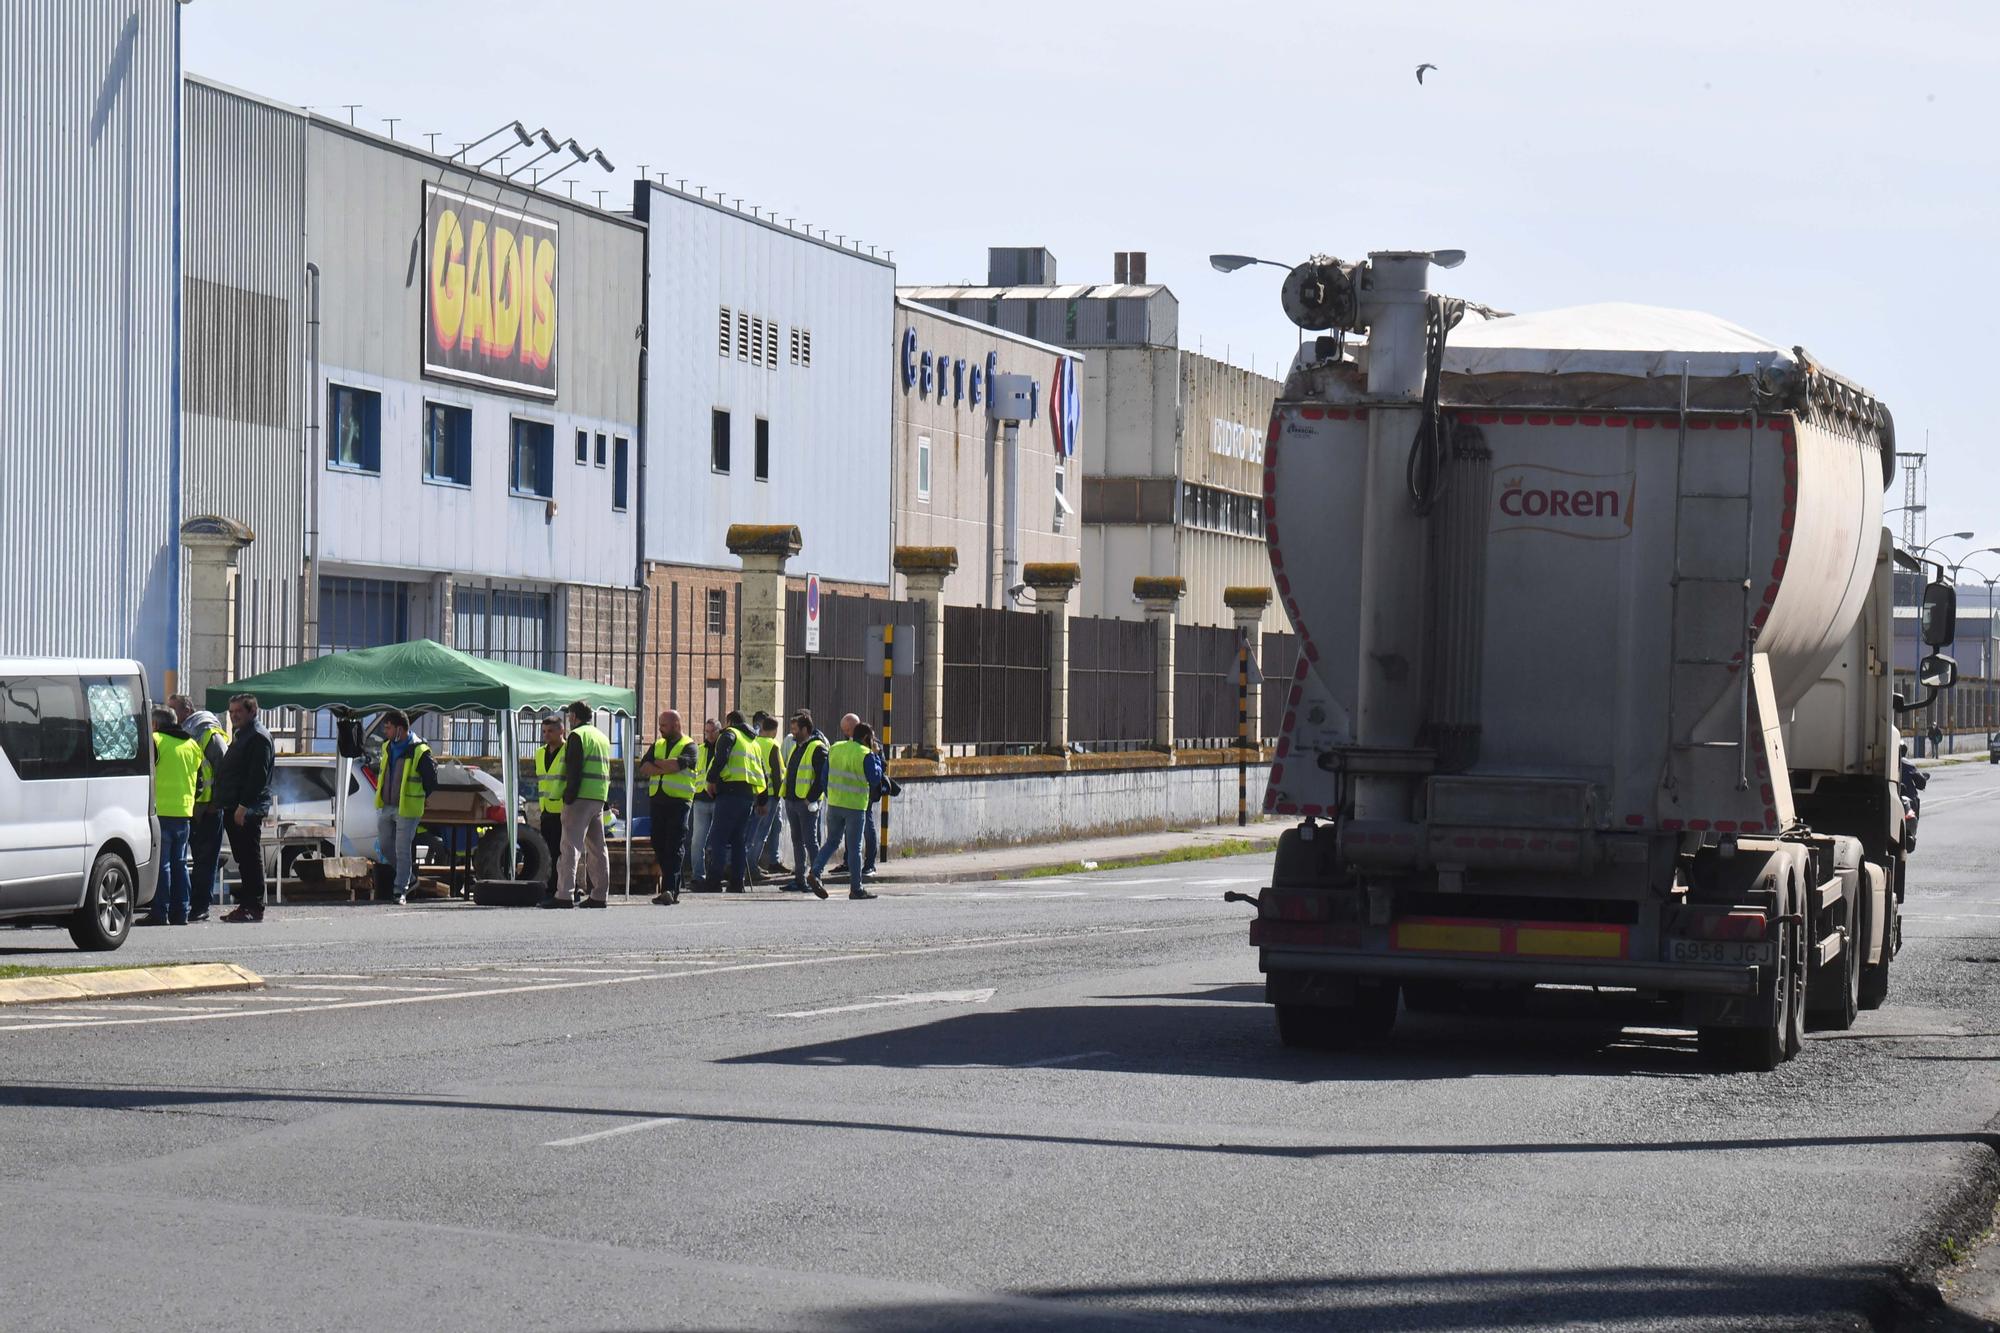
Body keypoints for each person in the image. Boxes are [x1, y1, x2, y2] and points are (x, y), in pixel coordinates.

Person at [543, 700, 612, 909]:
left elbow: (574, 769)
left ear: (573, 716)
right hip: (598, 796)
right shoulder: (601, 736)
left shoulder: (577, 735)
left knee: (570, 846)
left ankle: (564, 894)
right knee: (598, 848)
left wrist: (568, 797)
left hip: (579, 798)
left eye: (569, 716)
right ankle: (600, 895)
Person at [215, 693, 275, 924]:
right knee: (243, 858)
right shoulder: (243, 735)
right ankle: (247, 905)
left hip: (246, 808)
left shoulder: (258, 737)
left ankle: (253, 906)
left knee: (250, 857)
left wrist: (242, 807)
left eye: (238, 711)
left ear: (252, 711)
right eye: (231, 712)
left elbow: (257, 777)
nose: (233, 716)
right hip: (234, 805)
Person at [168, 693, 227, 922]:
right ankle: (187, 904)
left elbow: (224, 769)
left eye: (176, 711)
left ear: (187, 711)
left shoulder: (207, 732)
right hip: (190, 806)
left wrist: (215, 803)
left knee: (205, 861)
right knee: (185, 860)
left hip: (208, 808)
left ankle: (201, 906)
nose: (173, 716)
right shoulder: (181, 733)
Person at [142, 707, 203, 926]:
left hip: (160, 812)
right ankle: (182, 912)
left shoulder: (155, 741)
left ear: (155, 725)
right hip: (184, 813)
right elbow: (201, 781)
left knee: (163, 865)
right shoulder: (192, 745)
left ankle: (160, 912)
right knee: (180, 864)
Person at [373, 709, 437, 905]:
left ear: (399, 729)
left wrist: (422, 796)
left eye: (389, 727)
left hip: (408, 807)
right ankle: (409, 877)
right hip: (388, 806)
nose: (386, 731)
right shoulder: (387, 747)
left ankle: (400, 890)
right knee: (384, 845)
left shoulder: (419, 750)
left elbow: (431, 780)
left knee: (402, 849)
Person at [811, 721, 881, 900]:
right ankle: (856, 888)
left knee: (831, 842)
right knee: (855, 847)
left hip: (834, 803)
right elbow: (875, 778)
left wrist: (830, 795)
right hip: (855, 806)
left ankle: (815, 871)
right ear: (866, 738)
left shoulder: (835, 747)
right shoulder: (866, 754)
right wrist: (876, 756)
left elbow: (824, 776)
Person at [636, 708, 697, 906]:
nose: (660, 729)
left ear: (676, 725)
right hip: (658, 801)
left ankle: (670, 889)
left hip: (679, 802)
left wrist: (658, 765)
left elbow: (678, 765)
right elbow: (643, 767)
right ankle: (670, 887)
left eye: (663, 725)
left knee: (674, 845)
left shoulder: (689, 745)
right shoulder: (658, 744)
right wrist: (665, 766)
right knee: (658, 843)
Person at [703, 709, 764, 894]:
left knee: (719, 838)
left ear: (729, 721)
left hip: (729, 792)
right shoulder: (753, 742)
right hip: (747, 795)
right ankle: (737, 882)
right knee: (738, 840)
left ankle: (714, 881)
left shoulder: (730, 734)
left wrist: (711, 779)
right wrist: (762, 800)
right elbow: (761, 772)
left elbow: (721, 758)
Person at [782, 710, 830, 898]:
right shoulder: (797, 747)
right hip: (793, 801)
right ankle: (800, 878)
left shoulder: (817, 747)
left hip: (806, 803)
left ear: (805, 729)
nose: (792, 732)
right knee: (797, 841)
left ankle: (816, 876)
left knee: (810, 841)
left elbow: (821, 777)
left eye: (795, 729)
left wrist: (810, 798)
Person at [830, 712, 880, 880]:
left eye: (849, 729)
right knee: (848, 835)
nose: (846, 733)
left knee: (866, 830)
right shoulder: (845, 746)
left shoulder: (871, 746)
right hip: (847, 797)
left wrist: (876, 756)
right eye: (844, 730)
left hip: (863, 796)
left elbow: (876, 774)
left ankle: (869, 864)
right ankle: (849, 863)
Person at [745, 712, 786, 883]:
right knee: (761, 833)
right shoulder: (773, 745)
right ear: (774, 730)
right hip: (769, 795)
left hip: (753, 792)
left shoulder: (753, 742)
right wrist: (778, 795)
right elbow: (776, 773)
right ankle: (752, 867)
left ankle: (748, 865)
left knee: (751, 831)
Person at [532, 716, 567, 893]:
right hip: (546, 809)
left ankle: (565, 888)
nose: (546, 735)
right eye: (544, 731)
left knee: (563, 853)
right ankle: (552, 887)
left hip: (564, 809)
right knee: (549, 852)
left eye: (550, 731)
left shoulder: (568, 751)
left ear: (562, 731)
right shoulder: (539, 753)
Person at [684, 718, 717, 891]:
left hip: (718, 800)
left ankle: (714, 876)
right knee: (697, 841)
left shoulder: (723, 748)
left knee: (716, 842)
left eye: (713, 731)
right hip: (701, 800)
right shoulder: (700, 749)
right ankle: (698, 876)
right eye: (707, 731)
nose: (710, 735)